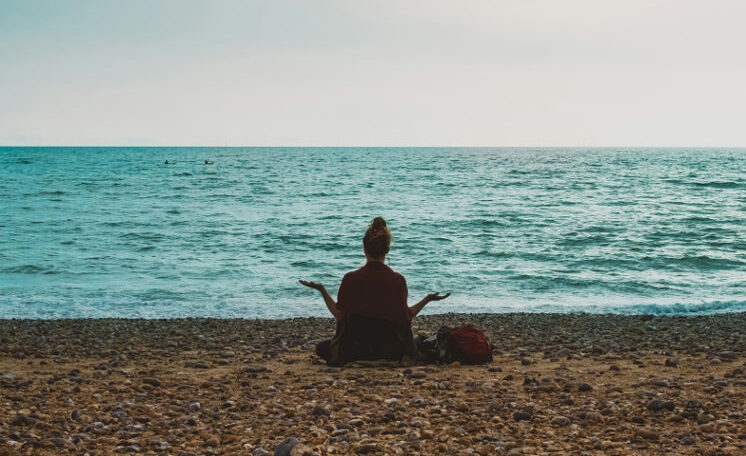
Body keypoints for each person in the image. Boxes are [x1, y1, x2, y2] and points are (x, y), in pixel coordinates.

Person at [300, 217, 450, 365]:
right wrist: (426, 299)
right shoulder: (398, 280)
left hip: (354, 350)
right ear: (387, 250)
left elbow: (340, 316)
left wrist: (322, 290)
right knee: (419, 342)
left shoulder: (350, 279)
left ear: (364, 248)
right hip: (389, 350)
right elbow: (406, 318)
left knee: (322, 348)